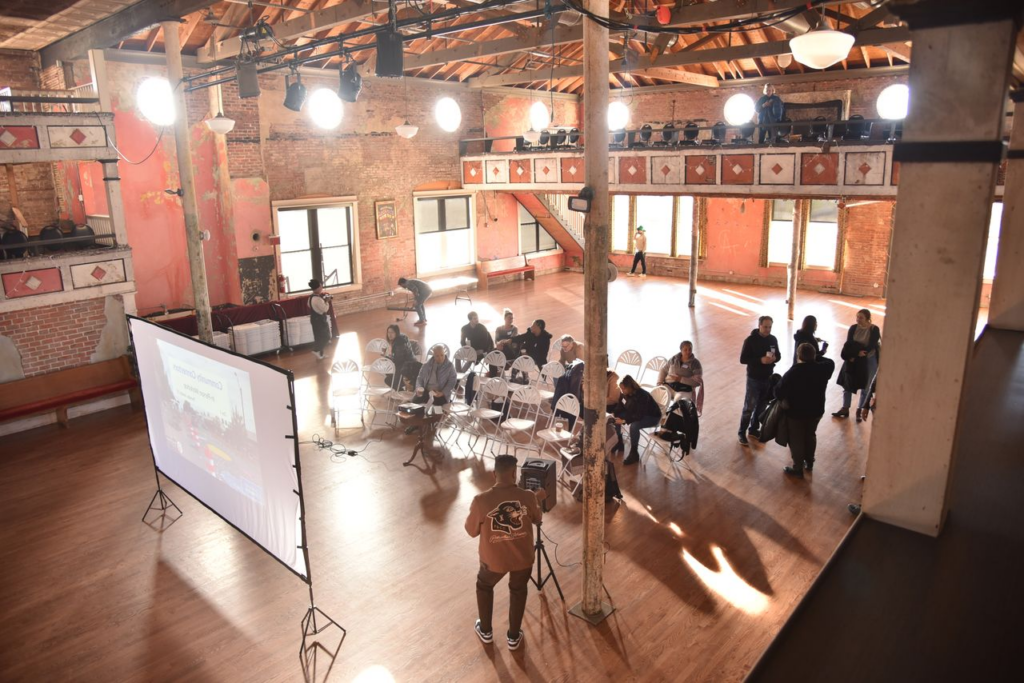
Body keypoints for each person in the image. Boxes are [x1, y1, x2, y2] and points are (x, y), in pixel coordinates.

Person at [464, 454, 545, 651]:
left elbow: (471, 531)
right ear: (515, 473)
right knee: (518, 590)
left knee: (484, 586)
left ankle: (485, 631)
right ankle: (513, 636)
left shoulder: (480, 500)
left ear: (494, 474)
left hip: (493, 562)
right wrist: (536, 499)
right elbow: (537, 519)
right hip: (523, 560)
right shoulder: (528, 496)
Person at [775, 342, 836, 478]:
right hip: (816, 410)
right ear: (813, 355)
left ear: (798, 356)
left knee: (796, 439)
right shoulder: (823, 368)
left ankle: (798, 468)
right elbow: (830, 361)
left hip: (796, 413)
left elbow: (778, 392)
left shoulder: (793, 372)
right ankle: (809, 462)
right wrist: (816, 357)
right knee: (810, 435)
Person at [833, 308, 881, 422]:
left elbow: (871, 345)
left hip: (868, 358)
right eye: (857, 317)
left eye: (861, 318)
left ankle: (860, 409)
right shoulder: (853, 328)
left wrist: (861, 353)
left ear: (868, 319)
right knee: (848, 382)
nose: (858, 320)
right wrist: (856, 354)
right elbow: (849, 344)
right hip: (855, 356)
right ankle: (845, 408)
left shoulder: (874, 329)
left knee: (867, 385)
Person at [738, 315, 780, 446]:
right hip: (754, 379)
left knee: (761, 407)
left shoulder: (773, 339)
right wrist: (760, 360)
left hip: (768, 378)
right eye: (765, 327)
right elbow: (743, 359)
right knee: (749, 408)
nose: (768, 330)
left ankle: (753, 429)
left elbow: (778, 355)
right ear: (759, 325)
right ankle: (741, 432)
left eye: (770, 327)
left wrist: (774, 358)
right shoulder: (750, 340)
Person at [613, 375, 663, 465]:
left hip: (652, 417)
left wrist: (624, 421)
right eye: (621, 388)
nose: (621, 390)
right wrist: (614, 415)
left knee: (634, 426)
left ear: (630, 387)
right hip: (635, 413)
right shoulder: (624, 394)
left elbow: (639, 416)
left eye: (623, 388)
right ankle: (618, 442)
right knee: (617, 417)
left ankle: (634, 453)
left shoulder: (642, 396)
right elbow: (620, 406)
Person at [657, 340, 705, 415]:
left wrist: (680, 379)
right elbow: (663, 370)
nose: (688, 352)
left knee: (677, 403)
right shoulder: (673, 359)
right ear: (681, 350)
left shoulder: (695, 363)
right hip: (669, 386)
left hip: (684, 389)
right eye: (685, 350)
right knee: (657, 395)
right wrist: (659, 382)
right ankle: (659, 417)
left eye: (690, 349)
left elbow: (697, 381)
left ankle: (672, 419)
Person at [385, 325, 419, 391]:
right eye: (388, 332)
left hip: (407, 368)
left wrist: (387, 358)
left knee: (388, 379)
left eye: (392, 332)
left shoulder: (399, 343)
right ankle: (401, 389)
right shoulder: (402, 338)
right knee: (388, 373)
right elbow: (399, 357)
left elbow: (398, 360)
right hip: (410, 365)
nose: (390, 335)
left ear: (396, 333)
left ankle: (401, 391)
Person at [307, 278, 332, 360]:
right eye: (321, 287)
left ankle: (321, 354)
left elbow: (308, 305)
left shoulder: (311, 297)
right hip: (319, 320)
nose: (321, 288)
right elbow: (325, 309)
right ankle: (316, 350)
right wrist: (327, 301)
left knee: (318, 337)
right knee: (326, 336)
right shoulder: (317, 299)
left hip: (314, 319)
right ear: (317, 288)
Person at [607, 369, 623, 452]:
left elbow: (613, 399)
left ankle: (617, 440)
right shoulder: (595, 375)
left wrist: (598, 401)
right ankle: (618, 442)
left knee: (615, 416)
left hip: (613, 405)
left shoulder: (614, 377)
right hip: (604, 403)